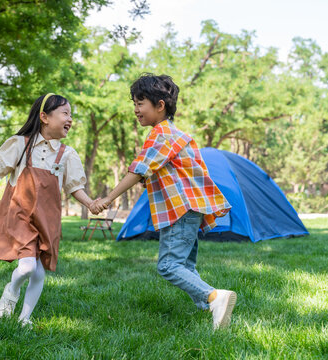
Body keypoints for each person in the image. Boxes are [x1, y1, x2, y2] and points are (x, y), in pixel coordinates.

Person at [91, 74, 236, 330]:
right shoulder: (173, 134)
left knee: (168, 265)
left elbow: (138, 171)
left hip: (180, 211)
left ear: (160, 106)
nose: (136, 110)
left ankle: (215, 297)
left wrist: (108, 199)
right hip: (190, 209)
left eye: (140, 103)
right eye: (134, 104)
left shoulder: (162, 135)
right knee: (185, 265)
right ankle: (208, 308)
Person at [0, 93, 95, 326]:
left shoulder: (66, 154)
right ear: (44, 117)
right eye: (65, 113)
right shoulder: (22, 144)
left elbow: (75, 187)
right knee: (28, 266)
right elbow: (0, 167)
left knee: (39, 273)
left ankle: (24, 319)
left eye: (71, 115)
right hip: (20, 214)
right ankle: (11, 291)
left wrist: (90, 203)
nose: (70, 119)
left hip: (46, 220)